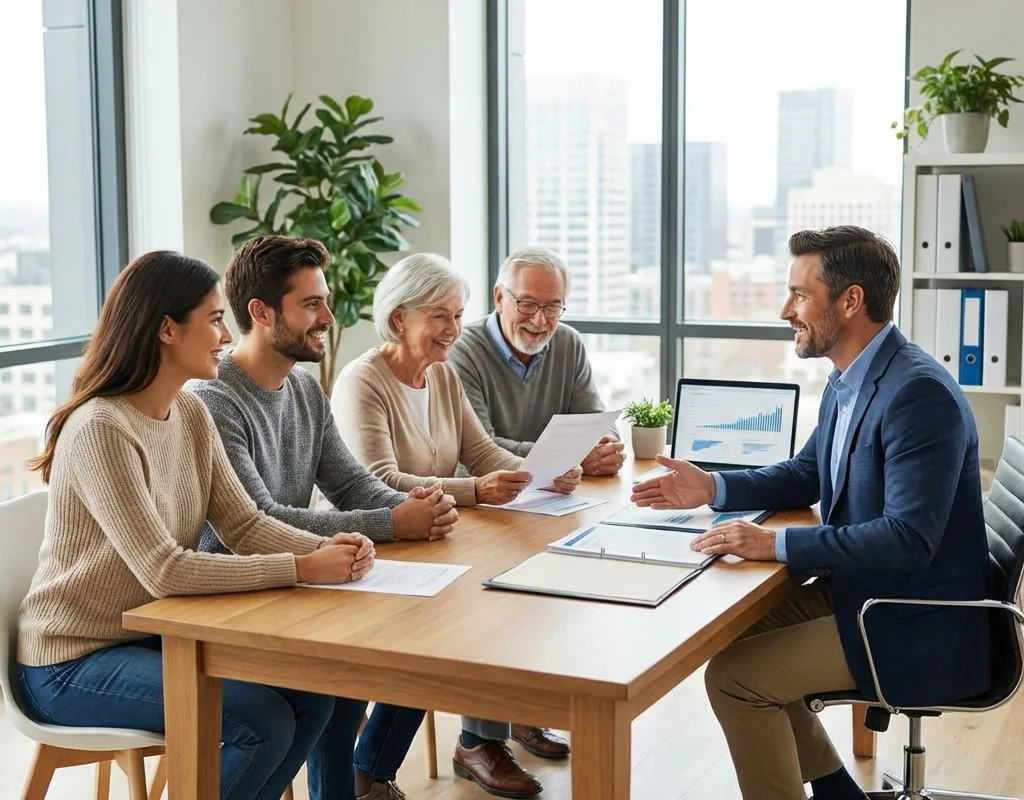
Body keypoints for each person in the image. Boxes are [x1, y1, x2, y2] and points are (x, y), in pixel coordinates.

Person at [631, 226, 991, 800]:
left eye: (800, 294)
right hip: (870, 589)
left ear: (851, 301)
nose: (784, 310)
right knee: (733, 636)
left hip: (917, 616)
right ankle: (835, 791)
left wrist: (771, 544)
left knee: (736, 681)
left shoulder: (917, 396)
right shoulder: (852, 377)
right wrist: (713, 488)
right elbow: (807, 473)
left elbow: (907, 539)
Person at [16, 251, 375, 800]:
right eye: (213, 319)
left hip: (153, 639)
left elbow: (247, 526)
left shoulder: (190, 415)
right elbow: (163, 570)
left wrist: (332, 547)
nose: (227, 336)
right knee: (263, 722)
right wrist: (304, 567)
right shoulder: (101, 429)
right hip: (70, 661)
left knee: (313, 697)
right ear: (166, 329)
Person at [187, 236, 456, 799]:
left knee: (413, 638)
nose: (328, 319)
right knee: (342, 678)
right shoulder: (213, 399)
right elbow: (254, 518)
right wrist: (391, 524)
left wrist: (413, 509)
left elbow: (349, 481)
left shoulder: (305, 389)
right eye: (312, 305)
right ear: (260, 313)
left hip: (300, 579)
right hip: (238, 597)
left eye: (324, 302)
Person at [330, 253, 582, 799]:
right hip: (368, 547)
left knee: (502, 598)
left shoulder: (440, 374)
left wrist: (538, 472)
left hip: (430, 538)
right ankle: (387, 766)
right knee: (444, 631)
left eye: (457, 315)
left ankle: (452, 745)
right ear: (400, 318)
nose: (453, 330)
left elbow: (480, 450)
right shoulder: (362, 380)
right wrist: (475, 490)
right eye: (440, 316)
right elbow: (378, 480)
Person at [448, 246, 625, 476]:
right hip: (486, 497)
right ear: (499, 298)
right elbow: (481, 449)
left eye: (552, 306)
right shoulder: (462, 350)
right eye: (527, 304)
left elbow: (596, 422)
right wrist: (570, 456)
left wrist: (605, 444)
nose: (539, 320)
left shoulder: (568, 342)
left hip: (559, 492)